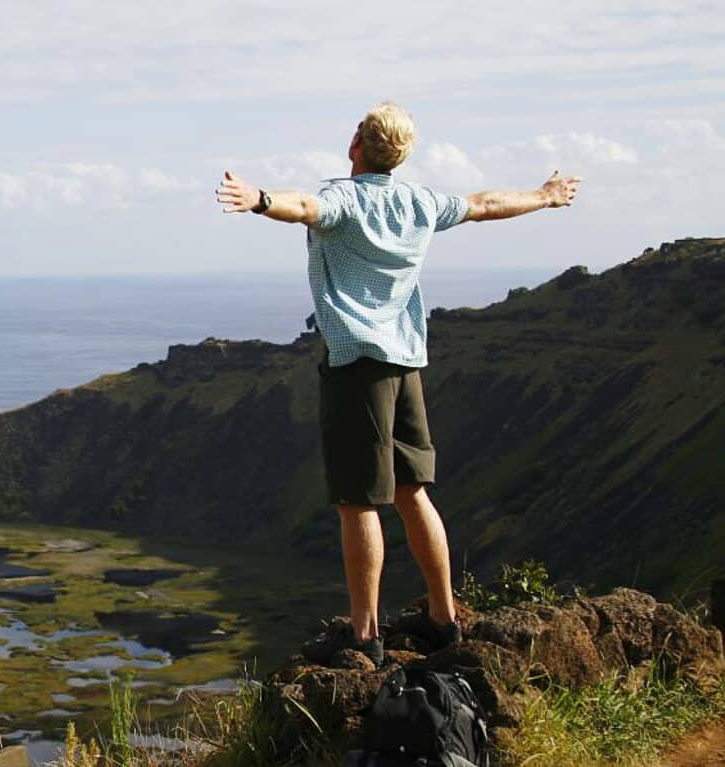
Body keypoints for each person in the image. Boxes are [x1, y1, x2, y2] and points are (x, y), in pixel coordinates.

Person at [215, 102, 581, 665]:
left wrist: (259, 199)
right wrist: (545, 195)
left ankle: (365, 636)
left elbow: (306, 207)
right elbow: (485, 205)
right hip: (406, 362)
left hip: (357, 364)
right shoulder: (419, 202)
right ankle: (443, 618)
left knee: (358, 501)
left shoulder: (345, 200)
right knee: (412, 492)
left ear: (356, 144)